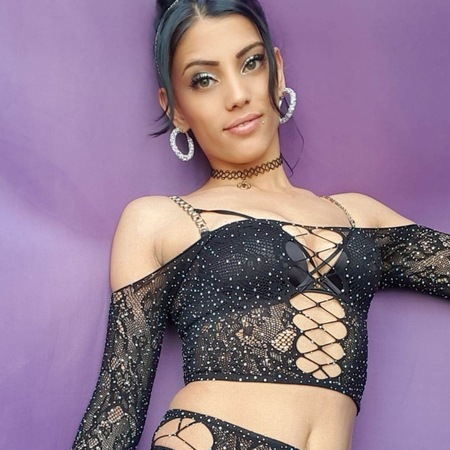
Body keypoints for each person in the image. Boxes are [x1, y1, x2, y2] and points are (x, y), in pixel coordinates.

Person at [71, 0, 450, 449]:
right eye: (203, 79)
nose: (237, 95)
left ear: (278, 71)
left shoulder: (358, 214)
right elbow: (116, 408)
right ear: (175, 108)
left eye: (251, 63)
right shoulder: (160, 219)